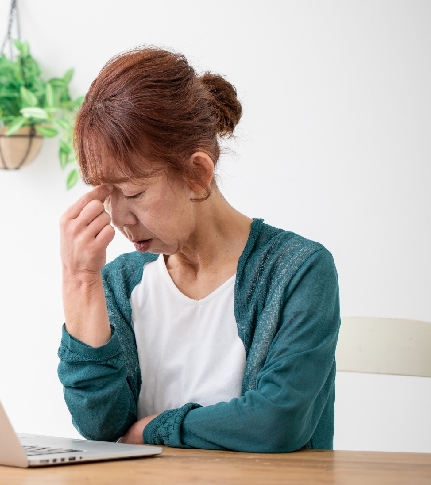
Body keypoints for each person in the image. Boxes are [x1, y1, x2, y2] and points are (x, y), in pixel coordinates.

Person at [57, 47, 340, 452]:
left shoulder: (299, 271)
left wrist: (156, 429)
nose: (117, 216)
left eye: (133, 191)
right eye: (107, 193)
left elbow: (278, 422)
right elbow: (101, 425)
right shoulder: (121, 282)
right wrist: (79, 280)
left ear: (197, 173)